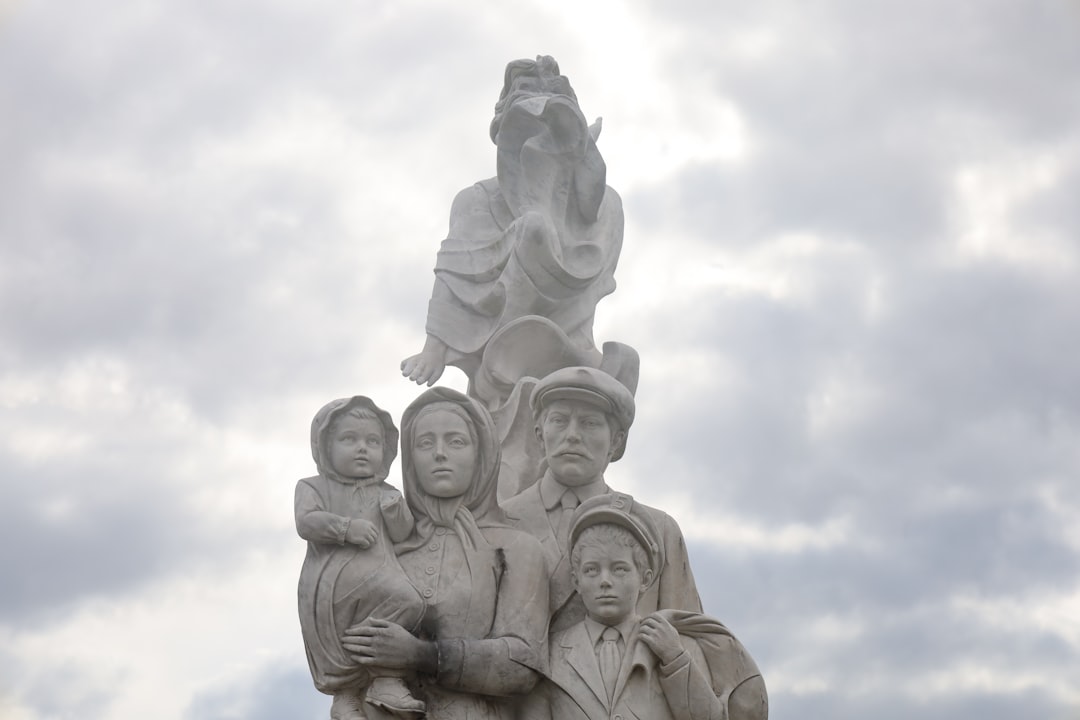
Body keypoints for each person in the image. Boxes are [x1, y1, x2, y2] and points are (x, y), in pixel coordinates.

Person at [400, 55, 624, 392]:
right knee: (533, 226)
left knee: (617, 369)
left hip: (570, 352)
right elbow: (453, 274)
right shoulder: (477, 200)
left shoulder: (603, 207)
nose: (541, 146)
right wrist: (433, 348)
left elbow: (590, 290)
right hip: (498, 351)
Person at [342, 387, 550, 720]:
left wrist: (422, 655)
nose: (440, 454)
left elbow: (523, 663)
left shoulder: (516, 547)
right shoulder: (383, 542)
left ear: (481, 455)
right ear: (410, 459)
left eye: (456, 442)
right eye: (425, 443)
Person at [525, 499, 768, 720]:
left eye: (619, 569)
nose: (605, 581)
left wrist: (676, 660)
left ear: (645, 578)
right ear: (576, 581)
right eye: (591, 570)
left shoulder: (677, 647)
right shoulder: (551, 654)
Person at [501, 366, 702, 633]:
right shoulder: (499, 522)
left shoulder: (659, 531)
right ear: (539, 434)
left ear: (616, 441)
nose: (572, 435)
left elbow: (689, 641)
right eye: (559, 420)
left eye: (590, 423)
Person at [295, 396, 427, 720]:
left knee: (411, 603)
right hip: (331, 584)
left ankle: (385, 679)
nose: (362, 449)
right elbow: (306, 522)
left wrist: (396, 514)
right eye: (349, 439)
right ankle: (345, 697)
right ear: (325, 446)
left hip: (382, 580)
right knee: (338, 638)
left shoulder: (387, 492)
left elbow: (404, 535)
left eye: (372, 442)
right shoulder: (313, 487)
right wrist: (345, 528)